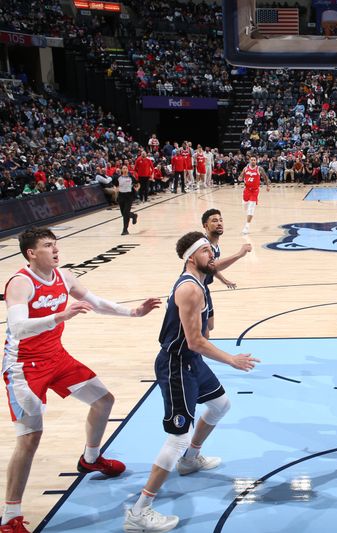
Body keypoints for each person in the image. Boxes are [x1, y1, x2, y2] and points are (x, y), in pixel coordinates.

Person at [2, 228, 160, 533]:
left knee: (103, 400)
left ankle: (90, 459)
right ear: (31, 253)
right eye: (48, 246)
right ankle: (10, 518)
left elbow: (96, 302)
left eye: (56, 244)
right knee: (30, 438)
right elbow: (19, 328)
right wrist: (60, 317)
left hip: (56, 357)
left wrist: (133, 312)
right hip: (23, 368)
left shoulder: (65, 277)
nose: (56, 249)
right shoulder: (20, 283)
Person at [123, 232, 259, 532]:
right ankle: (138, 512)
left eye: (212, 251)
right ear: (191, 257)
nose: (213, 256)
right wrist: (231, 359)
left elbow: (199, 334)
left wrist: (235, 255)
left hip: (191, 361)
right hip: (176, 365)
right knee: (177, 437)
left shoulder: (201, 278)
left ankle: (190, 460)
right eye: (207, 251)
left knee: (220, 404)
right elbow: (195, 341)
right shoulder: (190, 289)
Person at [200, 209, 253, 334]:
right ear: (205, 226)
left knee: (209, 326)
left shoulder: (215, 247)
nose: (219, 223)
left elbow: (213, 268)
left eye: (220, 220)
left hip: (204, 288)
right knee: (201, 332)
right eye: (214, 221)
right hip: (194, 290)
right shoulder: (202, 244)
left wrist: (224, 280)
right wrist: (239, 255)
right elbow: (211, 266)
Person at [238, 156, 269, 235]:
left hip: (255, 191)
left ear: (256, 161)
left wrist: (267, 186)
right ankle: (248, 215)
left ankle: (247, 226)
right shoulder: (245, 168)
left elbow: (265, 177)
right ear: (249, 161)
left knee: (251, 208)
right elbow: (241, 176)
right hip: (246, 190)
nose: (253, 161)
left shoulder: (259, 169)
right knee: (245, 206)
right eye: (252, 160)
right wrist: (240, 178)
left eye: (254, 160)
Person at [117, 165, 138, 236]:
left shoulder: (131, 177)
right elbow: (115, 185)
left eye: (126, 168)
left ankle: (125, 230)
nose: (125, 169)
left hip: (129, 196)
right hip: (121, 196)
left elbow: (137, 184)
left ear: (127, 170)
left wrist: (136, 189)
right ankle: (133, 215)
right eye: (123, 168)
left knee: (126, 213)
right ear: (122, 170)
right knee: (123, 214)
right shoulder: (118, 178)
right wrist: (115, 188)